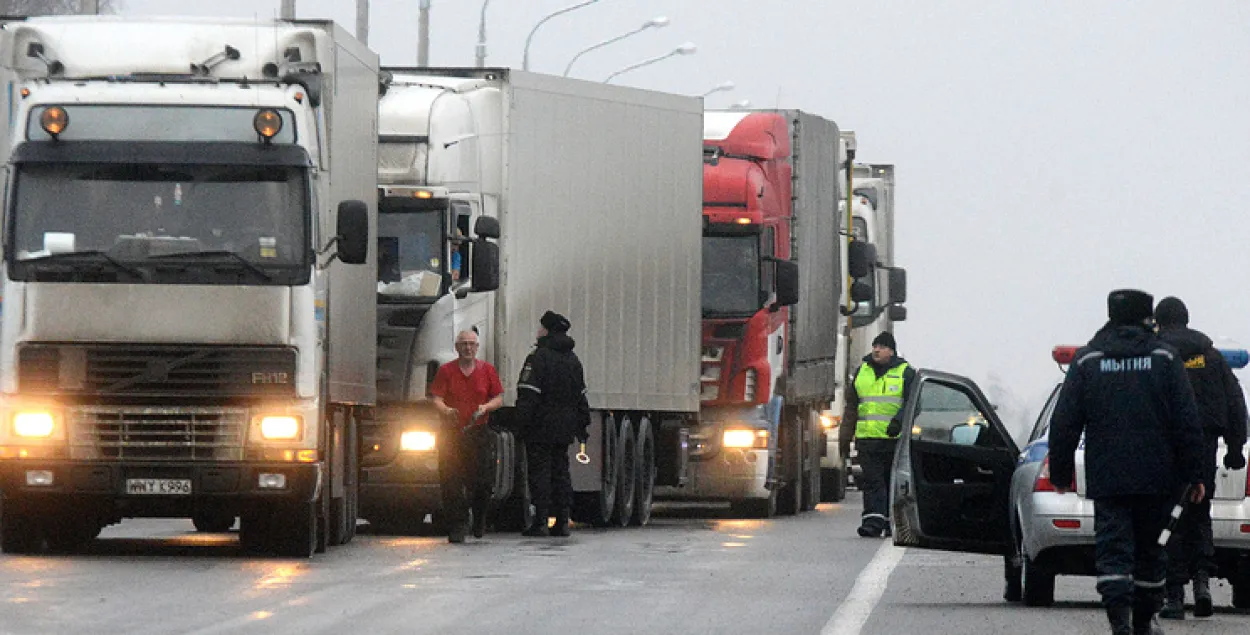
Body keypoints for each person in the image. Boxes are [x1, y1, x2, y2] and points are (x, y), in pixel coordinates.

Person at [1049, 289, 1205, 635]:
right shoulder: (1165, 358)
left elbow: (1064, 423)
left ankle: (1119, 621)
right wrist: (1195, 474)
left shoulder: (1088, 361)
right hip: (1158, 478)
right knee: (1152, 549)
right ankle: (1143, 621)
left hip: (1109, 477)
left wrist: (1060, 473)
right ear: (1147, 318)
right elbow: (1186, 421)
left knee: (1113, 550)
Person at [1153, 297, 1249, 619]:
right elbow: (1236, 404)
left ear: (1159, 322)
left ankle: (1174, 595)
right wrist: (1235, 450)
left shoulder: (1154, 356)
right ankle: (1203, 585)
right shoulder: (1212, 358)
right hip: (1204, 448)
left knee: (1170, 517)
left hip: (1164, 449)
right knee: (1198, 512)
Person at [515, 310, 591, 537]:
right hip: (565, 428)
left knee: (539, 473)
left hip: (540, 427)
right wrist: (582, 426)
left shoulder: (538, 358)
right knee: (561, 471)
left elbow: (528, 395)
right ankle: (562, 521)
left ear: (546, 331)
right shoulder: (573, 360)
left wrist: (521, 424)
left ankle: (540, 521)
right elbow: (581, 396)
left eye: (541, 328)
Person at [429, 329, 504, 543]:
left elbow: (498, 398)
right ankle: (457, 525)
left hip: (478, 433)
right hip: (452, 434)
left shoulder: (487, 370)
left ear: (477, 347)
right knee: (451, 481)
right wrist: (446, 411)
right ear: (457, 347)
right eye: (463, 344)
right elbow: (436, 398)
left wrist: (485, 407)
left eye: (472, 344)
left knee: (481, 482)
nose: (468, 348)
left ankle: (479, 518)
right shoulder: (446, 371)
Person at [839, 331, 916, 538]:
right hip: (867, 440)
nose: (876, 350)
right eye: (875, 346)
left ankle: (891, 522)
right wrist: (845, 437)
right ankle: (872, 522)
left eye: (881, 347)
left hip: (893, 441)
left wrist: (898, 422)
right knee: (873, 482)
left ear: (891, 351)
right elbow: (852, 408)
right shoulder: (861, 371)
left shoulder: (905, 373)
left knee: (890, 482)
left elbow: (912, 404)